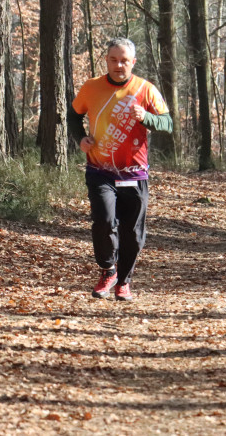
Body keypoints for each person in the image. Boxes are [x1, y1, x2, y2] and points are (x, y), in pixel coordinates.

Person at [68, 38, 173, 302]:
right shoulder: (91, 87)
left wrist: (146, 118)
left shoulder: (146, 89)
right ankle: (108, 269)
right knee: (104, 221)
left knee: (133, 234)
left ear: (133, 62)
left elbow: (168, 123)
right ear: (106, 60)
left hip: (134, 173)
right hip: (99, 170)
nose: (118, 65)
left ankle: (124, 282)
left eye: (124, 60)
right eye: (113, 60)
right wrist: (79, 138)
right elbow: (73, 115)